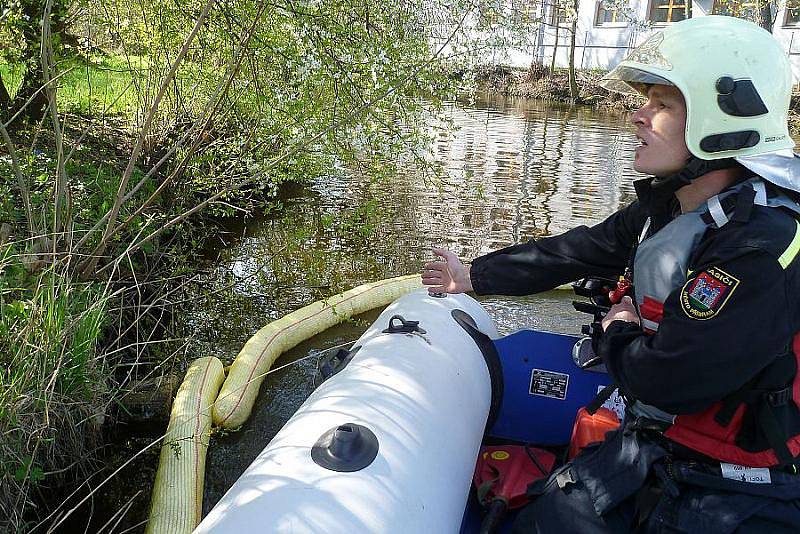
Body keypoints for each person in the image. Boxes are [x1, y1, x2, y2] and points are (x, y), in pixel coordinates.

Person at [422, 16, 800, 532]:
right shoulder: (673, 208)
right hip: (662, 447)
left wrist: (617, 329)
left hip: (741, 491)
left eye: (662, 104)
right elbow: (578, 250)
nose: (638, 115)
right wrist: (473, 277)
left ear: (722, 118)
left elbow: (672, 381)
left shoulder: (760, 246)